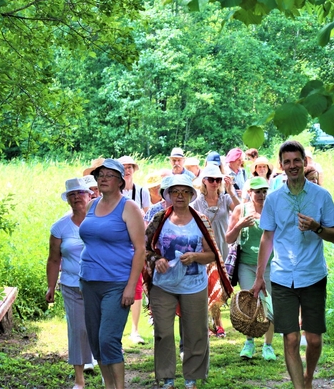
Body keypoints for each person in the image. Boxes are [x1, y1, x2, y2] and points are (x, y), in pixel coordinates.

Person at [251, 140, 334, 389]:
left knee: (313, 339)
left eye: (296, 160)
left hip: (312, 275)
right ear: (281, 166)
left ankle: (309, 376)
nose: (292, 166)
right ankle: (300, 387)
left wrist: (316, 227)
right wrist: (259, 276)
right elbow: (267, 237)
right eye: (287, 162)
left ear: (304, 162)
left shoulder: (322, 196)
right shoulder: (274, 199)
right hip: (282, 276)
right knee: (290, 339)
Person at [143, 174, 232, 389]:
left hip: (194, 285)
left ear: (192, 195)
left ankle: (191, 378)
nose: (180, 196)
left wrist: (194, 257)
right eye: (175, 191)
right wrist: (157, 259)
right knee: (163, 333)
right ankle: (167, 379)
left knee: (196, 331)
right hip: (163, 284)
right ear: (169, 195)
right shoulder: (159, 219)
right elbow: (144, 249)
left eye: (185, 191)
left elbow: (212, 254)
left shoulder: (201, 220)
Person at [79, 158, 146, 389]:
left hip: (117, 283)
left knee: (108, 339)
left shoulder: (129, 208)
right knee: (97, 342)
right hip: (89, 282)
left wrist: (131, 286)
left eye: (109, 175)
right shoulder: (91, 205)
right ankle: (109, 386)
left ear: (120, 181)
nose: (103, 178)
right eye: (100, 175)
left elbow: (140, 250)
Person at [46, 177, 95, 389]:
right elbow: (54, 258)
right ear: (67, 199)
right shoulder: (60, 227)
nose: (76, 197)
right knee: (77, 329)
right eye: (72, 194)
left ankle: (106, 372)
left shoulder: (99, 220)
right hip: (71, 284)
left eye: (80, 193)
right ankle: (79, 380)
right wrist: (50, 286)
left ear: (89, 195)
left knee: (100, 329)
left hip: (98, 284)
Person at [224, 176, 276, 361]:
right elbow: (228, 238)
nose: (261, 195)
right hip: (246, 264)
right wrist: (241, 224)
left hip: (269, 265)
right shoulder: (241, 209)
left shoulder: (272, 210)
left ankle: (268, 346)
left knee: (269, 306)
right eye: (257, 191)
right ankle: (249, 342)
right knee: (250, 303)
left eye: (264, 191)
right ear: (250, 193)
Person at [190, 165, 239, 338]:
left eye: (218, 180)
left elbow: (241, 210)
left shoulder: (225, 199)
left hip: (224, 246)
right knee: (212, 285)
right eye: (211, 179)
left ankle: (213, 322)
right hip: (207, 248)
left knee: (222, 288)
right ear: (204, 181)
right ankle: (217, 325)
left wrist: (231, 190)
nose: (215, 183)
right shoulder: (196, 202)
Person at [118, 156, 151, 345]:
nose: (127, 170)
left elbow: (147, 216)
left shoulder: (141, 192)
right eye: (124, 167)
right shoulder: (116, 193)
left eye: (130, 167)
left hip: (137, 244)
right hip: (120, 245)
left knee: (137, 286)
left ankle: (135, 330)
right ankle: (120, 330)